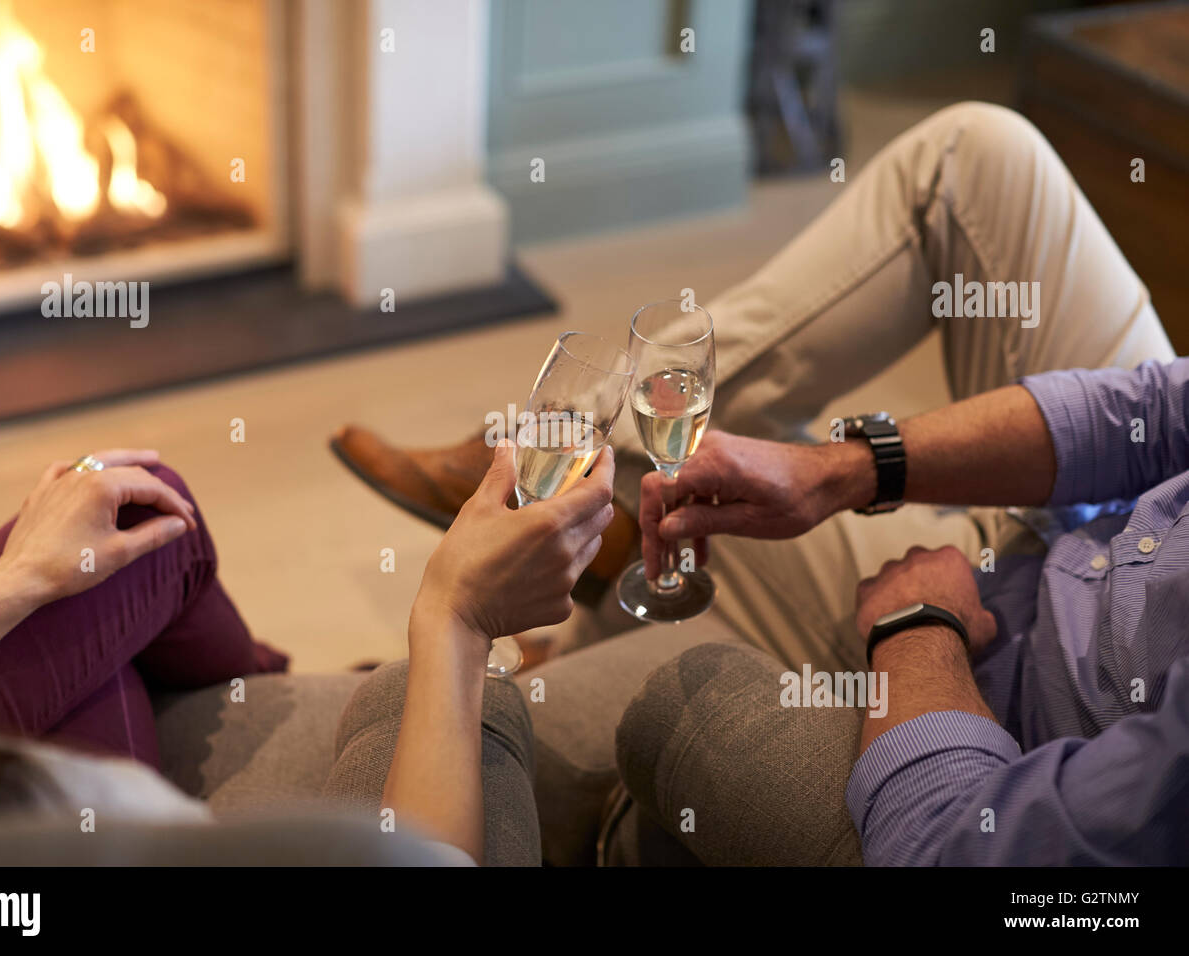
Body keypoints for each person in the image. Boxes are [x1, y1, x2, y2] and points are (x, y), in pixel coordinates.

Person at [331, 101, 1187, 864]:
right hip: (1101, 530)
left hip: (995, 651)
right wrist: (847, 467)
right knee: (978, 156)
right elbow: (1161, 405)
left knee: (681, 484)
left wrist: (919, 626)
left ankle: (548, 473)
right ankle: (578, 487)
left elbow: (958, 848)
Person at [0, 348, 614, 863]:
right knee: (140, 523)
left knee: (127, 509)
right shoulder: (93, 810)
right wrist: (455, 620)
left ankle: (267, 672)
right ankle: (275, 674)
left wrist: (11, 581)